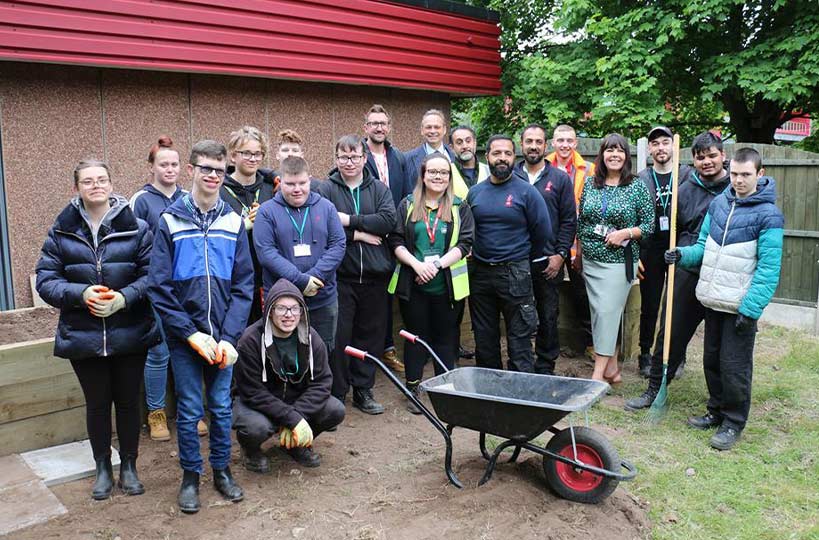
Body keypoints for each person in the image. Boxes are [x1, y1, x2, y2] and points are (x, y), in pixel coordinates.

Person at [36, 159, 158, 500]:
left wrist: (123, 298)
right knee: (98, 404)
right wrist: (80, 293)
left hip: (130, 330)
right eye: (88, 181)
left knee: (129, 403)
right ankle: (103, 467)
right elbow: (46, 280)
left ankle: (130, 465)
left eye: (101, 179)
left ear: (111, 183)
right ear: (77, 188)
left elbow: (153, 276)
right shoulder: (62, 230)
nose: (96, 186)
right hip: (83, 333)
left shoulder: (137, 227)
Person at [148, 140, 254, 513]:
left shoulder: (233, 220)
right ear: (191, 170)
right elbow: (158, 287)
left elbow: (244, 285)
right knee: (192, 410)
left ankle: (222, 471)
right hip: (184, 338)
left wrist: (229, 338)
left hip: (223, 339)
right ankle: (191, 476)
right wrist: (190, 333)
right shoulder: (170, 220)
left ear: (226, 175)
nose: (212, 176)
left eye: (219, 171)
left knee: (222, 408)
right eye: (206, 168)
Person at [664, 147, 783, 450]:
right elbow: (704, 248)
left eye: (746, 175)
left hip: (740, 306)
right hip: (713, 299)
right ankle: (715, 411)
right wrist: (681, 254)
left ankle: (733, 422)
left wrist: (751, 308)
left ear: (760, 174)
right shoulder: (719, 204)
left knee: (735, 367)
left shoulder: (769, 216)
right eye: (735, 174)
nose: (739, 180)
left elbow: (769, 269)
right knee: (712, 361)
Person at [625, 131, 731, 411]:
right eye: (700, 157)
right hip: (688, 266)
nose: (706, 162)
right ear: (694, 161)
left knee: (718, 344)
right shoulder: (686, 190)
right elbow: (675, 226)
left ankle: (719, 404)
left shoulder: (735, 188)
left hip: (724, 271)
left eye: (711, 156)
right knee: (670, 330)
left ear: (723, 156)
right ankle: (655, 388)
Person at [388, 152, 474, 412]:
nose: (438, 177)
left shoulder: (460, 207)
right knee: (415, 338)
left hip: (447, 287)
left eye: (443, 173)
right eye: (432, 172)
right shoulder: (407, 205)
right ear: (423, 176)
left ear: (449, 177)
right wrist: (417, 265)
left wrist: (436, 266)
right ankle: (413, 387)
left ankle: (445, 389)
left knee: (445, 339)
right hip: (413, 285)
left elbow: (466, 243)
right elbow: (395, 240)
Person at [317, 135, 396, 414]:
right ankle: (338, 392)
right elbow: (324, 226)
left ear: (364, 158)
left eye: (354, 157)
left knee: (370, 337)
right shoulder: (325, 190)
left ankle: (364, 390)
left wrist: (349, 221)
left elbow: (388, 220)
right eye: (343, 157)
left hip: (375, 278)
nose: (349, 162)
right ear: (336, 159)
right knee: (339, 337)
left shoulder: (378, 189)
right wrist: (361, 233)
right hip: (342, 278)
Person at [233, 278, 345, 470]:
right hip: (259, 405)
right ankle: (251, 451)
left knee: (335, 409)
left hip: (295, 401)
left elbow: (323, 382)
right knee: (255, 428)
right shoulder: (250, 341)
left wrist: (297, 417)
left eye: (294, 309)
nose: (288, 315)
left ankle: (296, 445)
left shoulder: (312, 338)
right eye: (281, 308)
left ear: (302, 312)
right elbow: (252, 392)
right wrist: (292, 418)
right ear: (269, 311)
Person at [130, 136, 200, 441]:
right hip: (157, 291)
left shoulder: (190, 197)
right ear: (152, 168)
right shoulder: (141, 201)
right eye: (163, 164)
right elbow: (133, 247)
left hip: (189, 289)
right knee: (158, 353)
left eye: (174, 164)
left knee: (189, 349)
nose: (169, 169)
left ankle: (192, 412)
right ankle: (156, 414)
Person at [467, 135, 551, 372]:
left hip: (516, 273)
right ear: (487, 157)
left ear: (514, 157)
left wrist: (520, 256)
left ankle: (521, 391)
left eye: (507, 153)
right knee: (484, 337)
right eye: (497, 153)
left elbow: (542, 233)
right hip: (481, 275)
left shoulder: (527, 192)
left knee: (520, 336)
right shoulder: (475, 193)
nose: (502, 158)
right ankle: (488, 387)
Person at [576, 134, 654, 383]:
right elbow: (582, 222)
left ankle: (598, 375)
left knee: (608, 312)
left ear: (626, 156)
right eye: (609, 150)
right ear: (602, 155)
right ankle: (612, 370)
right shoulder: (590, 184)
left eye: (620, 151)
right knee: (599, 313)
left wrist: (625, 233)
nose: (614, 155)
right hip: (591, 260)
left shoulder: (636, 186)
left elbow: (649, 225)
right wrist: (578, 254)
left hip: (619, 262)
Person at [253, 155, 346, 360]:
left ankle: (319, 393)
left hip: (322, 298)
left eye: (302, 183)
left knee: (322, 353)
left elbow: (338, 245)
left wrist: (315, 276)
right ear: (280, 182)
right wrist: (301, 281)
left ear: (310, 180)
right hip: (282, 301)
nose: (297, 189)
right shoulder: (267, 211)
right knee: (285, 355)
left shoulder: (326, 207)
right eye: (290, 184)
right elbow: (266, 253)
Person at [512, 124, 577, 375]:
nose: (534, 146)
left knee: (548, 314)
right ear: (521, 144)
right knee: (519, 314)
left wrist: (560, 254)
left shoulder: (559, 179)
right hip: (516, 259)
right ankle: (522, 363)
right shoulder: (510, 176)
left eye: (538, 142)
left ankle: (545, 365)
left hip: (549, 260)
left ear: (545, 145)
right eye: (529, 141)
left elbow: (569, 220)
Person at [635, 127, 695, 378]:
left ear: (673, 146)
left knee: (677, 305)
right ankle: (645, 354)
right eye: (655, 144)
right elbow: (634, 215)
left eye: (665, 143)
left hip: (679, 246)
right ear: (649, 149)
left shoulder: (687, 175)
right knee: (650, 304)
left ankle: (676, 355)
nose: (660, 148)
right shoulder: (642, 178)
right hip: (651, 248)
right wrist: (636, 253)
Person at [362, 104, 411, 374]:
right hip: (368, 235)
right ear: (365, 128)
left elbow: (404, 195)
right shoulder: (358, 155)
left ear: (389, 127)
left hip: (395, 234)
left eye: (383, 123)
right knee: (374, 294)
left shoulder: (398, 158)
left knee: (391, 293)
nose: (379, 127)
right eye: (374, 123)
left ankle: (389, 348)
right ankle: (371, 351)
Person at [547, 124, 595, 355]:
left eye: (569, 140)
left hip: (579, 241)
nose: (565, 145)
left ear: (576, 143)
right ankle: (548, 343)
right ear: (552, 143)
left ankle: (590, 344)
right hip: (550, 241)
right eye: (560, 140)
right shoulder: (544, 166)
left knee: (582, 291)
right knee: (548, 291)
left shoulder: (589, 169)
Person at [222, 126, 276, 323]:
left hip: (266, 277)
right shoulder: (220, 191)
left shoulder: (271, 188)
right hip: (234, 277)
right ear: (233, 156)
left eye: (258, 154)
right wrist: (243, 225)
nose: (253, 159)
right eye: (246, 153)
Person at [403, 110, 469, 198]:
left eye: (437, 127)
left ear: (444, 129)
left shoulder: (457, 157)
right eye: (428, 127)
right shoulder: (407, 159)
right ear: (422, 130)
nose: (433, 131)